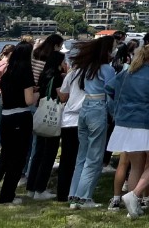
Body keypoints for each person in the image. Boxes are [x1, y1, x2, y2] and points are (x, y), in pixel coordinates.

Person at [110, 42, 149, 218]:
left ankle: (133, 205)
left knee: (136, 165)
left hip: (126, 121)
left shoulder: (126, 73)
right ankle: (134, 195)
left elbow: (109, 88)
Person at [0, 41, 39, 205]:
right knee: (18, 160)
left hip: (6, 117)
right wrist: (38, 95)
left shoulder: (7, 72)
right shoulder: (25, 73)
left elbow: (5, 98)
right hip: (21, 117)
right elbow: (28, 100)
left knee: (4, 157)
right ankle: (6, 195)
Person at [68, 35, 117, 210]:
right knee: (94, 157)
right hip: (98, 108)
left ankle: (74, 194)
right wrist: (114, 115)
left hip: (85, 108)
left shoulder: (88, 67)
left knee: (82, 155)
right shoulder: (107, 69)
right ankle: (84, 197)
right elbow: (111, 93)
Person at [25, 33, 68, 200]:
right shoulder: (57, 78)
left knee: (37, 153)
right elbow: (62, 97)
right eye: (63, 62)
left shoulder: (44, 76)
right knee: (49, 154)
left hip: (41, 113)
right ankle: (40, 189)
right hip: (52, 117)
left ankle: (31, 186)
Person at [55, 49, 84, 203]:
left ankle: (62, 192)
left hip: (68, 119)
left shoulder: (71, 75)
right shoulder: (91, 75)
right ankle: (77, 190)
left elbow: (64, 96)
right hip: (81, 119)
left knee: (67, 158)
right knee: (81, 158)